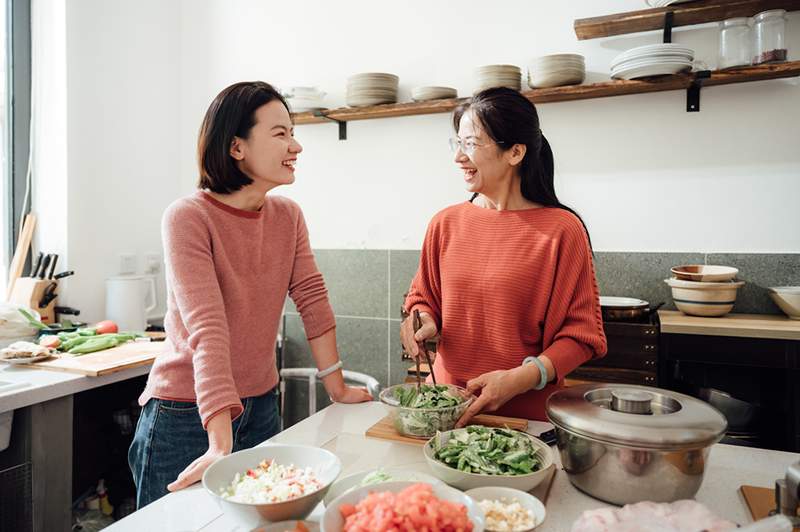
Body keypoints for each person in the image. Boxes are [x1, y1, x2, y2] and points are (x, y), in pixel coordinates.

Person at [129, 81, 371, 508]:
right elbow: (207, 326)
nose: (296, 145)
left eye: (293, 132)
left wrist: (336, 387)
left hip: (260, 408)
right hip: (185, 414)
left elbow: (311, 297)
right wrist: (219, 443)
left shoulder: (288, 215)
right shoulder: (188, 217)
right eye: (280, 133)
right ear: (236, 146)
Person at [400, 87, 607, 426]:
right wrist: (422, 320)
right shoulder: (445, 223)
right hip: (444, 408)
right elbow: (423, 297)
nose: (458, 157)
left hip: (524, 419)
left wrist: (517, 380)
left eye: (471, 144)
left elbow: (582, 335)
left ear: (515, 153)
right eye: (458, 143)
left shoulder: (562, 231)